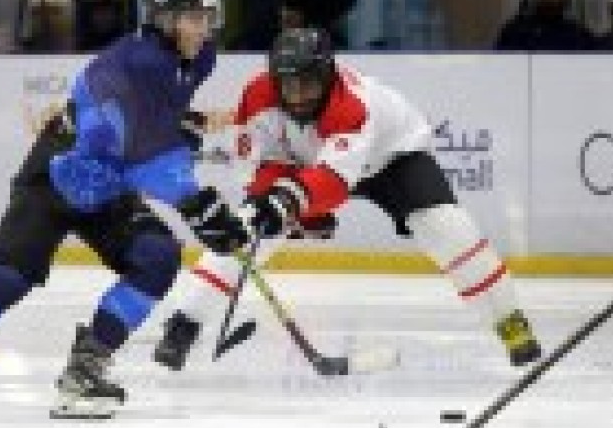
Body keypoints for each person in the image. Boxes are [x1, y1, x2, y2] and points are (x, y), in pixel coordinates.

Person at [0, 0, 246, 423]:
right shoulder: (128, 62)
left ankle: (85, 370)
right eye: (194, 18)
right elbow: (133, 141)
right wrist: (196, 201)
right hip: (57, 175)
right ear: (165, 18)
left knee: (157, 256)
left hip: (106, 185)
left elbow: (152, 123)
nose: (204, 28)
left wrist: (183, 141)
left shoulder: (197, 58)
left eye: (207, 17)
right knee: (8, 275)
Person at [152, 27, 542, 372]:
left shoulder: (351, 106)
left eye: (307, 85)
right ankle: (185, 323)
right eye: (288, 86)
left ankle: (509, 320)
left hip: (392, 158)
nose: (297, 96)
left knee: (448, 230)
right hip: (309, 163)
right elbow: (264, 163)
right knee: (245, 227)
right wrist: (266, 204)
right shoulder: (258, 96)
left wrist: (291, 203)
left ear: (327, 77)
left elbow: (335, 180)